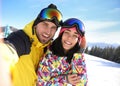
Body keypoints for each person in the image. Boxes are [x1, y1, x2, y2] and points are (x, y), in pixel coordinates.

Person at [0, 3, 63, 86]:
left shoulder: (49, 49)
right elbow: (7, 50)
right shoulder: (21, 39)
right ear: (36, 24)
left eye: (53, 28)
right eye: (45, 24)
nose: (48, 31)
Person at [37, 18, 88, 86]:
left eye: (75, 35)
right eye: (67, 32)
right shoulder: (49, 55)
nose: (69, 38)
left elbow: (81, 83)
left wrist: (79, 53)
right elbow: (41, 84)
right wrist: (64, 79)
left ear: (78, 40)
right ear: (61, 34)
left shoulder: (76, 57)